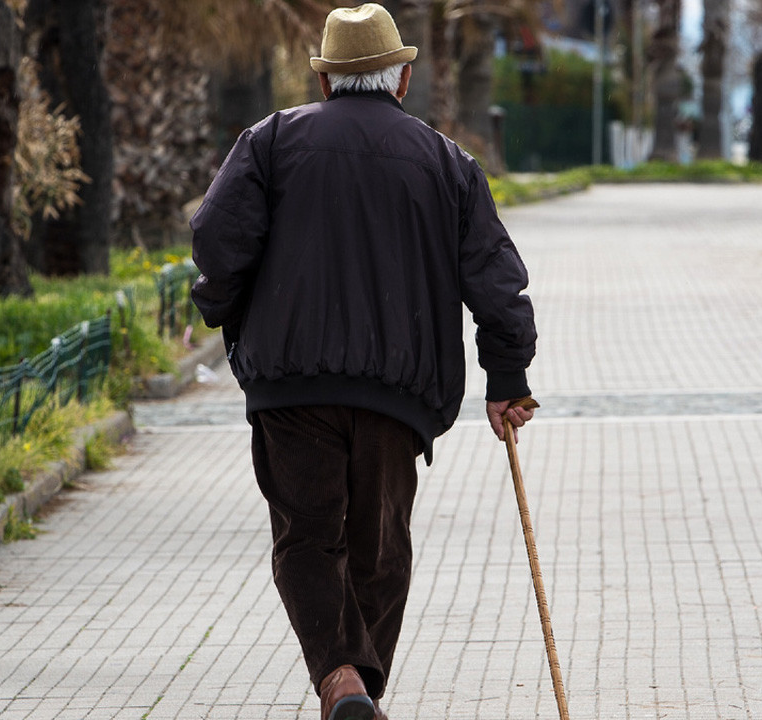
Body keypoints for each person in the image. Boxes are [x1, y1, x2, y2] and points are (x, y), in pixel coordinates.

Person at [189, 5, 538, 720]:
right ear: (403, 78)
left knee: (307, 539)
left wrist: (222, 306)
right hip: (397, 390)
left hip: (289, 385)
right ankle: (357, 692)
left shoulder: (271, 141)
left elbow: (218, 241)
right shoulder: (447, 162)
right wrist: (507, 379)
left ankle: (342, 686)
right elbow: (497, 281)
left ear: (325, 82)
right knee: (380, 550)